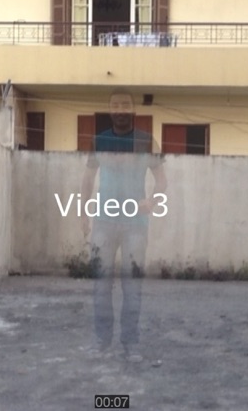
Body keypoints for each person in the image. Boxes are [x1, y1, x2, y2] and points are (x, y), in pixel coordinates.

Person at [80, 88, 167, 362]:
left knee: (132, 286)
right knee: (100, 285)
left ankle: (131, 344)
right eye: (115, 105)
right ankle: (101, 341)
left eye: (125, 105)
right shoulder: (99, 140)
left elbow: (162, 181)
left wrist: (152, 201)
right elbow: (87, 179)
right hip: (103, 223)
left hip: (135, 226)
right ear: (110, 110)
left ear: (133, 109)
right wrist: (83, 213)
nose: (120, 109)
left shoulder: (146, 141)